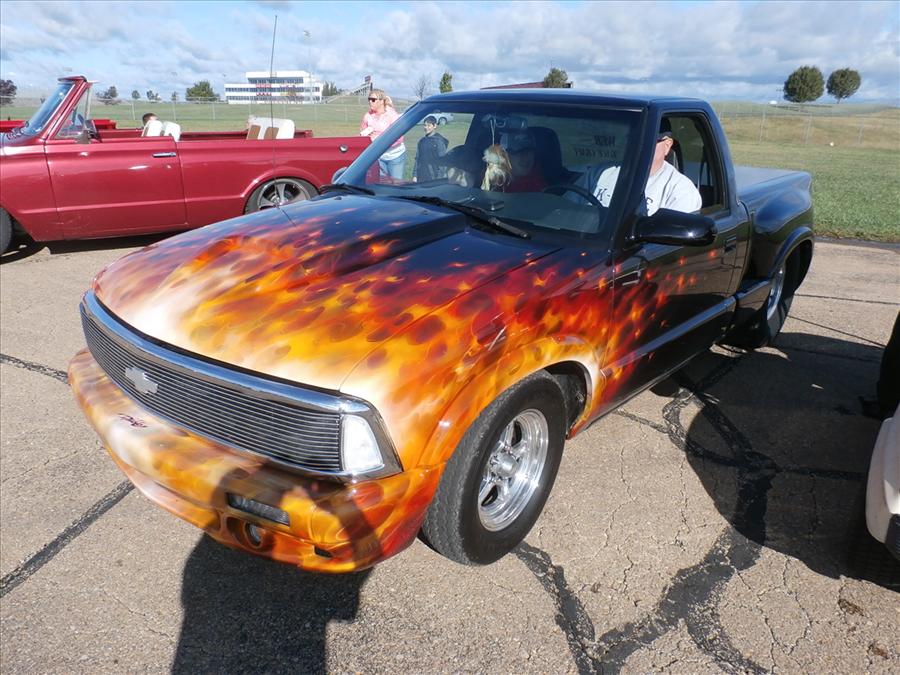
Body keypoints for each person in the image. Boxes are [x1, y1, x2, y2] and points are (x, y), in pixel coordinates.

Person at [574, 125, 702, 215]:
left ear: (667, 145)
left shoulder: (681, 190)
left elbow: (672, 239)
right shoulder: (599, 173)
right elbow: (568, 210)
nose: (639, 146)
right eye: (633, 139)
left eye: (648, 141)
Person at [359, 89, 406, 180]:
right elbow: (362, 134)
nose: (370, 102)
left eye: (373, 100)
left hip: (395, 156)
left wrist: (379, 142)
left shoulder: (392, 115)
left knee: (396, 183)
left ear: (381, 101)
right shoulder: (367, 116)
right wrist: (366, 136)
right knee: (381, 183)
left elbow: (399, 138)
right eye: (369, 99)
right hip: (378, 157)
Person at [413, 116, 448, 182]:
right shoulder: (421, 141)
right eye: (425, 125)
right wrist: (415, 175)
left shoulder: (439, 142)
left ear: (435, 126)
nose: (426, 127)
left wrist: (438, 179)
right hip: (421, 175)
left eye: (429, 125)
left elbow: (442, 163)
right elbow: (417, 159)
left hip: (433, 177)